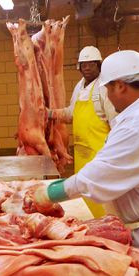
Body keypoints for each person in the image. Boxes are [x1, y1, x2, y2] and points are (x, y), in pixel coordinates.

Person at [31, 50, 139, 275]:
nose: (108, 95)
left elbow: (96, 177)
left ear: (121, 86)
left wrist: (48, 194)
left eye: (108, 89)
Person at [48, 45, 117, 217]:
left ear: (98, 65)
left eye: (90, 64)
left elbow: (116, 122)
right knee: (85, 194)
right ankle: (92, 225)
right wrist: (51, 114)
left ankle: (107, 226)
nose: (86, 68)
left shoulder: (104, 87)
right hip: (81, 153)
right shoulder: (80, 86)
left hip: (100, 153)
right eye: (83, 64)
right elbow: (72, 114)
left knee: (101, 196)